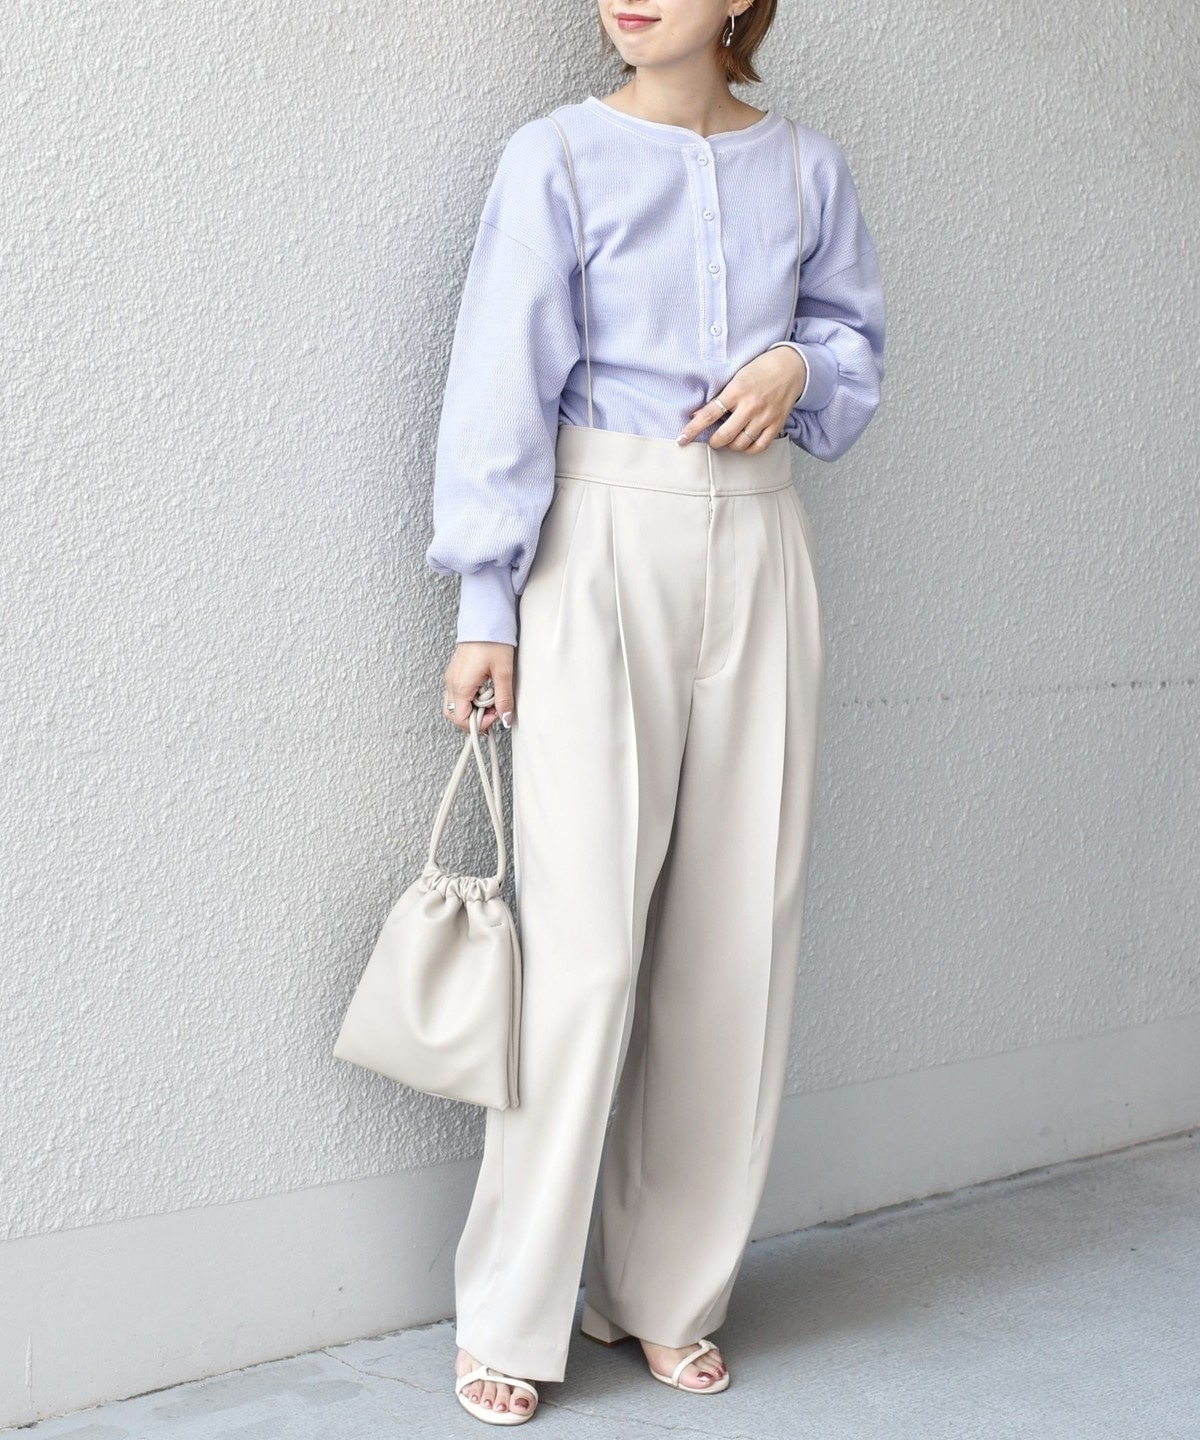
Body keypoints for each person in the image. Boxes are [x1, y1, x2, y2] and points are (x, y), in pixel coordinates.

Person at [426, 0, 884, 1424]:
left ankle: (665, 1294)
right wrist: (487, 603)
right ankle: (510, 1315)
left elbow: (855, 352)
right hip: (596, 543)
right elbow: (501, 377)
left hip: (761, 542)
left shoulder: (808, 169)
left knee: (737, 942)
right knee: (582, 954)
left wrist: (801, 365)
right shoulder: (556, 158)